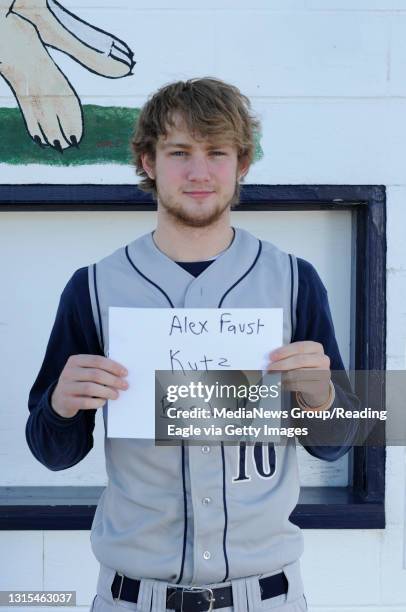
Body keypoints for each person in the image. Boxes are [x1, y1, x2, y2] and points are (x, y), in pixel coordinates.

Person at [26, 77, 359, 612]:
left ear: (242, 164)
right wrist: (62, 407)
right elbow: (52, 453)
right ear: (148, 161)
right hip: (133, 597)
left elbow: (338, 439)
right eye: (179, 152)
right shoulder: (93, 287)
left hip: (266, 596)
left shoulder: (296, 281)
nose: (199, 172)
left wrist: (321, 401)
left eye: (217, 152)